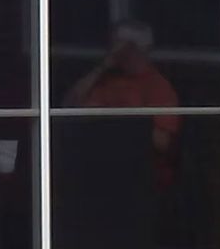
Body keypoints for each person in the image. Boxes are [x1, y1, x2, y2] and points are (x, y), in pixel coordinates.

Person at [64, 19, 182, 179]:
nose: (111, 50)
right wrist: (102, 67)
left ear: (131, 48)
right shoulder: (107, 80)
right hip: (96, 163)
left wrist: (117, 118)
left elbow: (162, 142)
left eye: (116, 46)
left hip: (138, 172)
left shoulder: (158, 87)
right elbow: (69, 106)